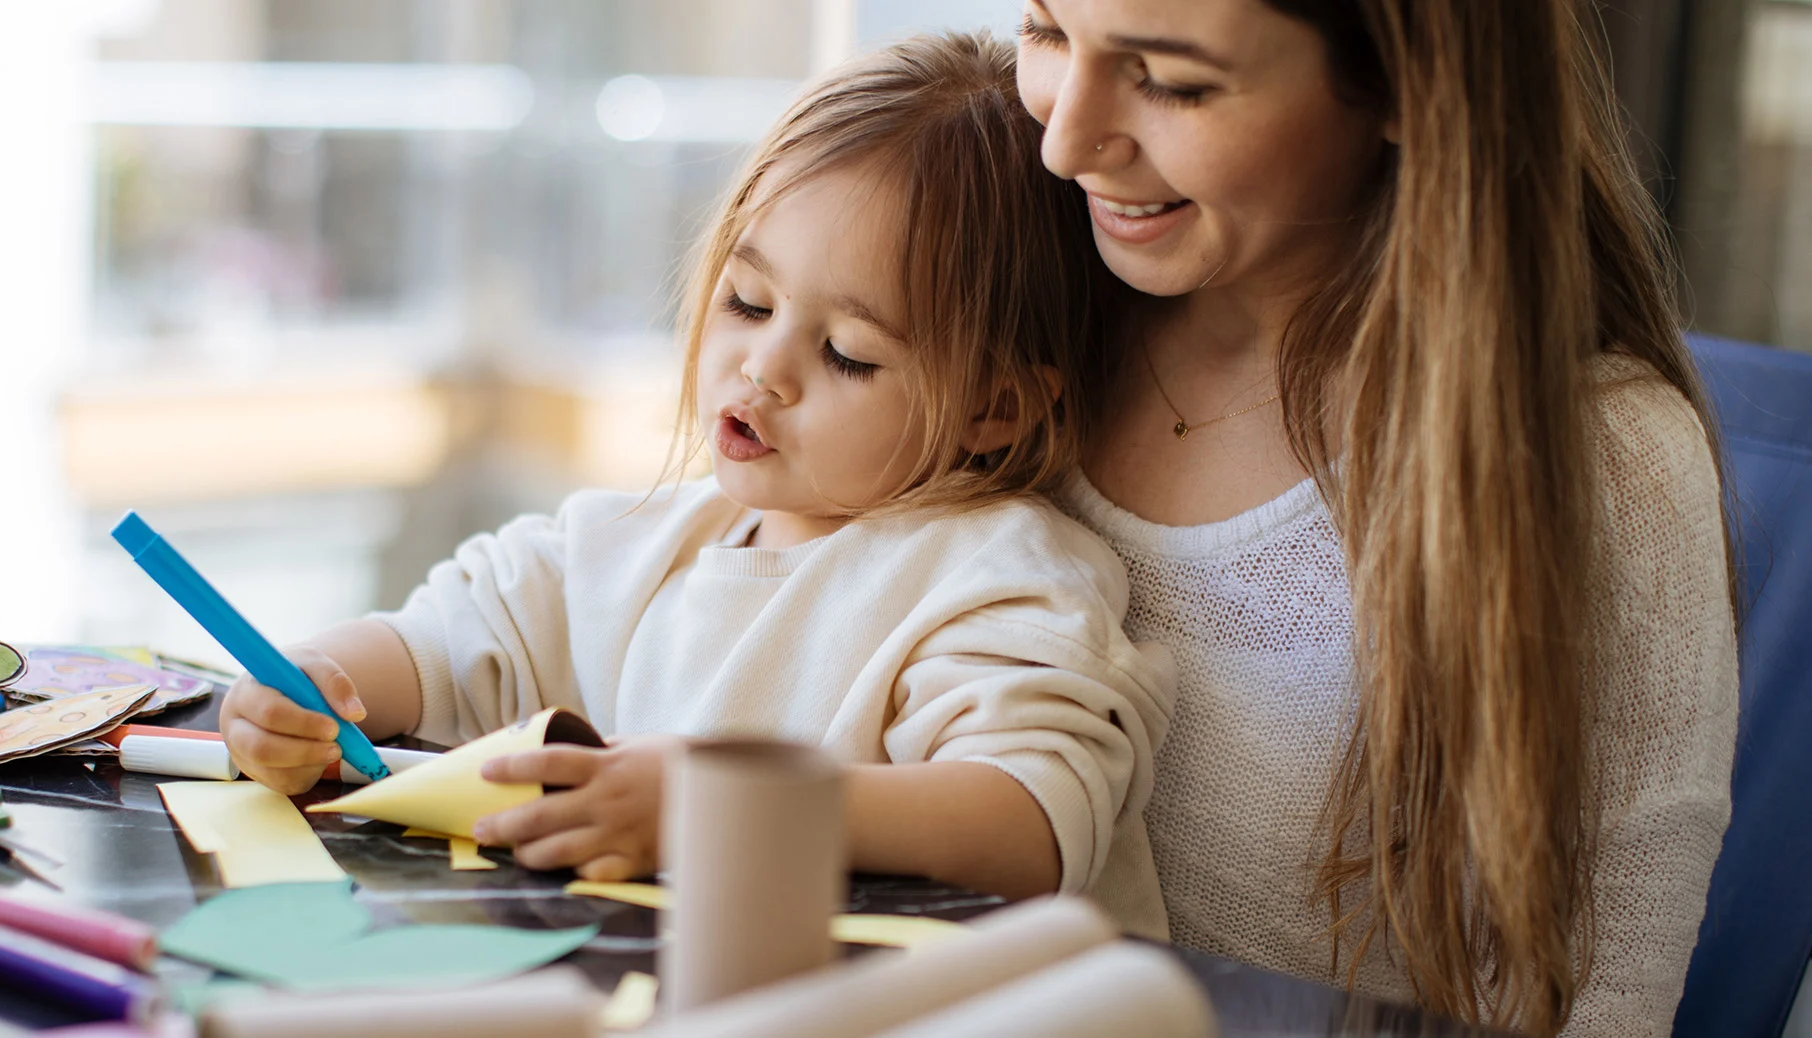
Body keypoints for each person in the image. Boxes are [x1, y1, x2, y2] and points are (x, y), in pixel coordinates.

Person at [220, 32, 1178, 929]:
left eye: (847, 354)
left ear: (995, 409)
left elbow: (1026, 824)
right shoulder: (633, 544)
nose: (762, 367)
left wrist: (714, 806)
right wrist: (310, 688)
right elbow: (438, 640)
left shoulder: (994, 572)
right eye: (746, 300)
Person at [1013, 1, 1735, 1035]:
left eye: (1172, 80)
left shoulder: (1595, 460)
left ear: (1404, 84)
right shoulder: (1010, 316)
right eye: (1044, 31)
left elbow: (1587, 1003)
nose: (1063, 140)